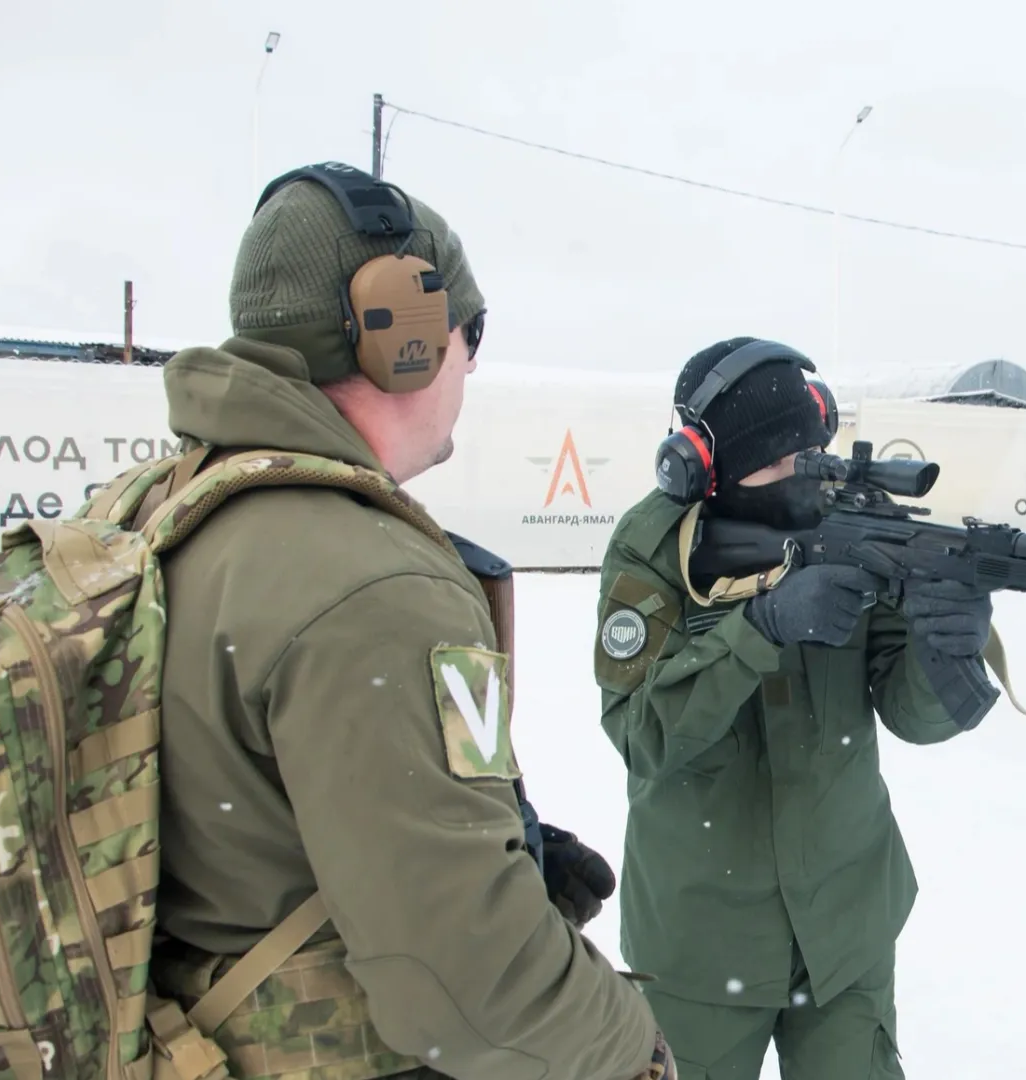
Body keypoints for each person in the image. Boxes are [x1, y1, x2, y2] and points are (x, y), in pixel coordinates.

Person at [147, 162, 673, 1080]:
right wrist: (638, 1051)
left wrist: (486, 859)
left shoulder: (168, 508)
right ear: (407, 341)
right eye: (469, 333)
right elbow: (472, 988)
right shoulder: (373, 586)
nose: (470, 363)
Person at [592, 336, 1000, 1079]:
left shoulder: (852, 525)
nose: (807, 479)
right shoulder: (654, 547)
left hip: (845, 925)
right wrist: (761, 629)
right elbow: (643, 735)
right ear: (704, 469)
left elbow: (911, 713)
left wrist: (949, 651)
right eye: (780, 463)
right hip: (703, 945)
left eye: (815, 455)